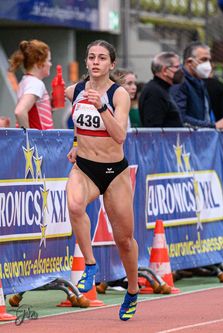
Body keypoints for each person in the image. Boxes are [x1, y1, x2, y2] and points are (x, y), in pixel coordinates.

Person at [65, 40, 139, 321]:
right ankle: (91, 264)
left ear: (112, 64)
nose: (96, 62)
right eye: (91, 57)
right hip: (84, 167)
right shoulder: (77, 91)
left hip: (114, 172)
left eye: (102, 58)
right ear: (86, 62)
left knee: (125, 240)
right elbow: (75, 121)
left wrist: (102, 108)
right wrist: (75, 142)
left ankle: (132, 290)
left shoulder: (119, 94)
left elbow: (119, 136)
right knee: (74, 205)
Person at [170, 42, 223, 133]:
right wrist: (213, 125)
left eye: (209, 60)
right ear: (189, 62)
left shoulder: (200, 82)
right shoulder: (179, 82)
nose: (208, 64)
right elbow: (180, 118)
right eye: (204, 59)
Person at [9, 39, 54, 129]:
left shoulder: (26, 81)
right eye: (49, 60)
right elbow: (20, 111)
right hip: (38, 142)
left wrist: (50, 105)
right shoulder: (36, 84)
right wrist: (27, 138)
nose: (50, 64)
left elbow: (35, 115)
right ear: (39, 63)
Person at [139, 52, 184, 127]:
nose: (181, 70)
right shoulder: (154, 92)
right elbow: (154, 129)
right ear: (164, 71)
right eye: (177, 67)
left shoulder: (162, 90)